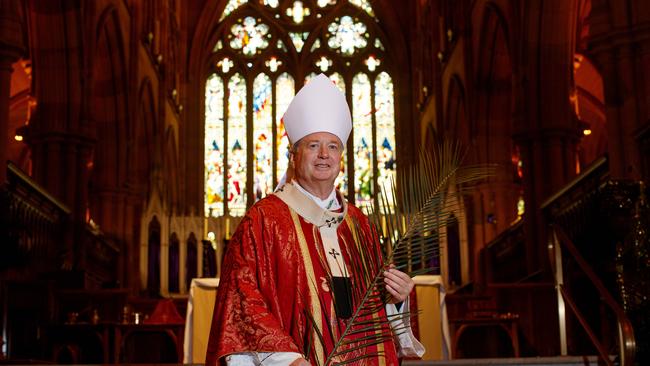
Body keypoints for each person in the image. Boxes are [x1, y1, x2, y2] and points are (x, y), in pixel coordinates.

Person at [206, 74, 424, 365]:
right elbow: (242, 300)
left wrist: (398, 300)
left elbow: (376, 310)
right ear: (293, 157)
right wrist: (288, 359)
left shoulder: (361, 227)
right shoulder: (262, 221)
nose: (324, 155)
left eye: (333, 146)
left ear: (341, 159)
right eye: (313, 146)